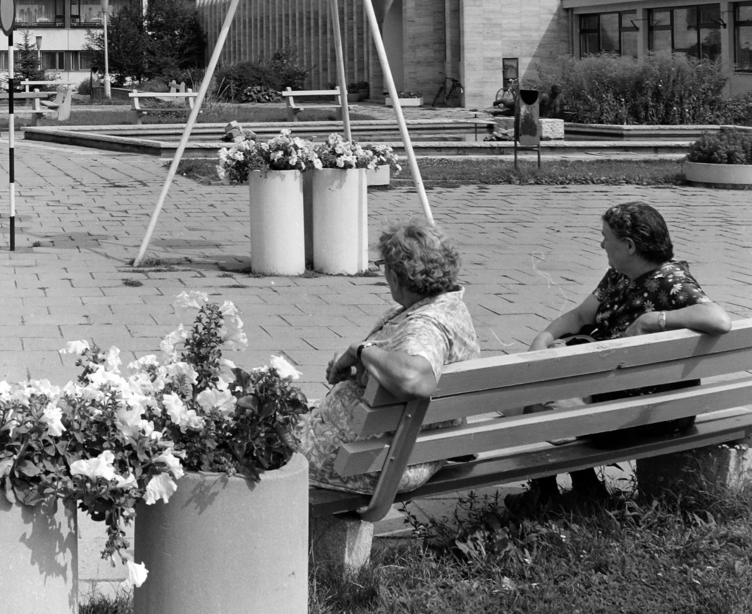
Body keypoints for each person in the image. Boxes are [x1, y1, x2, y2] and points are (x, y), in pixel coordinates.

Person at [516, 201, 731, 505]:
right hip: (614, 396)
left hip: (648, 411)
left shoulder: (670, 282)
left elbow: (719, 319)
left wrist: (651, 320)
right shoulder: (618, 276)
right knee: (531, 398)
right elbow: (579, 317)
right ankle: (579, 486)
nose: (601, 243)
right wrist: (543, 338)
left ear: (629, 246)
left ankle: (551, 493)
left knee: (524, 409)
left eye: (606, 237)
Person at [301, 218, 478, 494]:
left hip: (372, 461)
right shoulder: (450, 306)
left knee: (253, 425)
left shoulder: (427, 324)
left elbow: (414, 378)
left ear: (396, 276)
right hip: (408, 445)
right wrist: (363, 372)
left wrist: (361, 350)